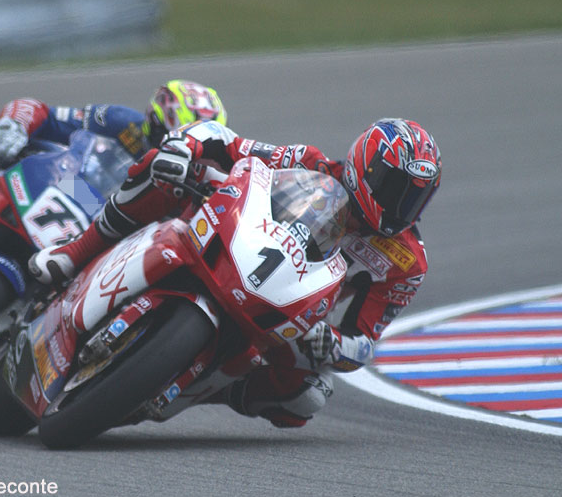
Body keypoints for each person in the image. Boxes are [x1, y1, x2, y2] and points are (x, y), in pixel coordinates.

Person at [29, 117, 442, 428]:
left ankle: (217, 389)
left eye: (416, 198)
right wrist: (184, 146)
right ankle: (76, 252)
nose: (402, 208)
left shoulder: (406, 263)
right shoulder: (309, 163)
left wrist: (332, 343)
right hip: (237, 243)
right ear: (366, 168)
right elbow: (227, 142)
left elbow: (364, 341)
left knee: (307, 396)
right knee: (164, 167)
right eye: (396, 189)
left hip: (290, 310)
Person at [0, 80, 228, 252]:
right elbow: (43, 113)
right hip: (66, 185)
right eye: (171, 138)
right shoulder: (122, 122)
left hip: (101, 235)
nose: (177, 150)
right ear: (155, 119)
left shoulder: (194, 183)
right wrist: (15, 124)